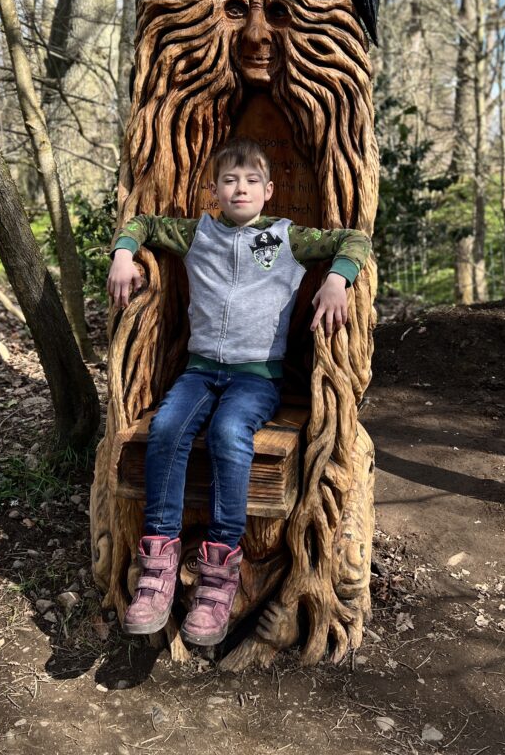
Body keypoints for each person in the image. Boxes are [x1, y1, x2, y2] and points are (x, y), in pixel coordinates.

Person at [106, 138, 371, 646]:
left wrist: (337, 281)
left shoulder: (287, 238)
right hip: (200, 371)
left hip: (258, 377)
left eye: (251, 181)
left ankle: (219, 573)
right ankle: (158, 566)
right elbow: (141, 222)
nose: (240, 188)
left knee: (230, 433)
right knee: (165, 426)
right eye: (229, 180)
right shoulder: (196, 234)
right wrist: (123, 254)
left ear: (268, 190)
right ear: (215, 190)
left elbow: (354, 240)